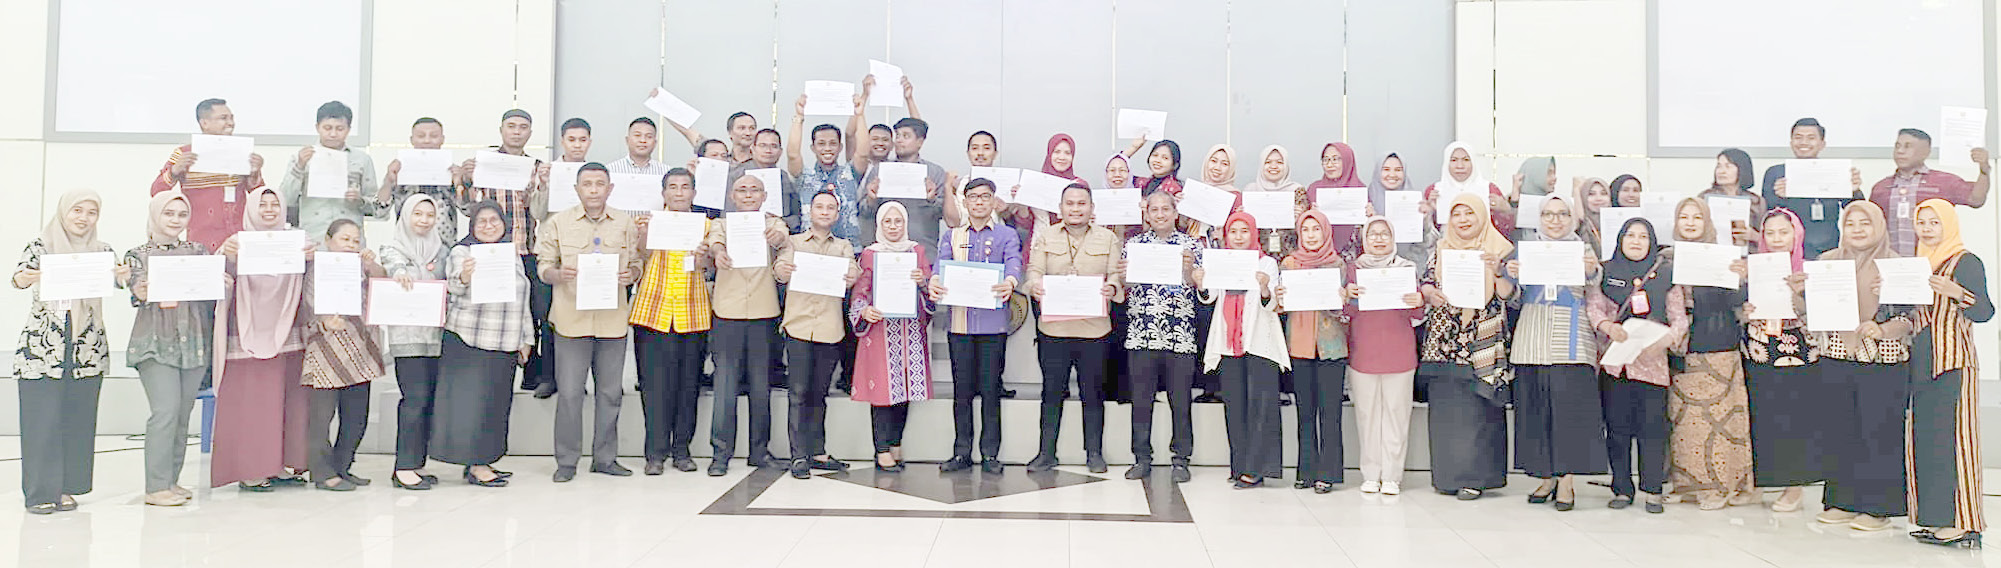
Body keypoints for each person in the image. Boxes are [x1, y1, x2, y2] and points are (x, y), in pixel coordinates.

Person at [1810, 202, 1919, 531]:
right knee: (1840, 429)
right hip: (1837, 356)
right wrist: (1800, 292)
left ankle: (1878, 507)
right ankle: (1842, 500)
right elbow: (1811, 313)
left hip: (1882, 359)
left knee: (1879, 431)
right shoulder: (1827, 262)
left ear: (1880, 226)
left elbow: (1911, 317)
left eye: (1865, 223)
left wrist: (1882, 328)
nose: (1857, 229)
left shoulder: (1898, 265)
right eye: (1851, 223)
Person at [12, 190, 122, 514]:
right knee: (41, 422)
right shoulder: (41, 246)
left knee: (77, 420)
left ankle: (66, 487)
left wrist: (124, 276)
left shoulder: (102, 251)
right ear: (64, 212)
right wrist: (25, 278)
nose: (83, 218)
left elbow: (120, 281)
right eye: (77, 210)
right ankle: (40, 492)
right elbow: (18, 277)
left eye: (91, 212)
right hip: (42, 351)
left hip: (87, 349)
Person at [532, 163, 642, 482]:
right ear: (577, 189)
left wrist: (631, 274)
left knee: (610, 392)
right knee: (569, 393)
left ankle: (605, 458)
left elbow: (636, 263)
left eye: (600, 184)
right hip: (571, 320)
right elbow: (544, 266)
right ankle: (566, 461)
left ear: (610, 189)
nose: (594, 190)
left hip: (612, 321)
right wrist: (557, 275)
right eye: (587, 184)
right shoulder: (558, 223)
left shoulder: (624, 223)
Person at [1502, 194, 1606, 511]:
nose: (1555, 220)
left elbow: (1596, 289)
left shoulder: (1584, 249)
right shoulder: (1525, 249)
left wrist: (1591, 271)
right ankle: (1544, 476)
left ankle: (1567, 481)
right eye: (1548, 213)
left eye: (1562, 213)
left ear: (1572, 218)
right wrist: (1512, 274)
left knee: (1570, 414)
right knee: (1535, 411)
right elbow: (1512, 299)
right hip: (1532, 338)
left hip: (1571, 340)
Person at [211, 187, 314, 492]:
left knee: (287, 400)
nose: (269, 210)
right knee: (252, 403)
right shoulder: (236, 243)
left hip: (288, 331)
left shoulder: (298, 242)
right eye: (263, 204)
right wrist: (226, 258)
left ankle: (280, 465)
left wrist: (312, 259)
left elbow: (313, 285)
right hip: (246, 328)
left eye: (275, 204)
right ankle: (251, 469)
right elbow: (219, 281)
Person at [1418, 193, 1515, 500]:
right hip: (1444, 341)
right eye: (1457, 214)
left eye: (1469, 214)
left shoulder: (1500, 248)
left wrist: (1497, 269)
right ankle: (1447, 477)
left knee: (1480, 410)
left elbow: (1508, 294)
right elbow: (1427, 282)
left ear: (1481, 216)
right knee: (1448, 410)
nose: (1463, 220)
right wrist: (1430, 293)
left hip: (1482, 341)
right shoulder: (1441, 248)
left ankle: (1477, 478)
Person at [1907, 198, 1992, 547]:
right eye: (1921, 222)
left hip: (1953, 361)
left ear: (1948, 225)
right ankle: (1933, 518)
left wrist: (1959, 293)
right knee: (1927, 442)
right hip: (1922, 363)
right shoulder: (1916, 265)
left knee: (1956, 443)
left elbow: (1985, 311)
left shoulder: (1965, 261)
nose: (1926, 229)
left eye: (1934, 223)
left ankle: (1963, 521)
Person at [1588, 218, 1687, 514]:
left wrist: (1667, 338)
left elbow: (1679, 317)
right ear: (1619, 239)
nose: (1636, 241)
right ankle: (1621, 487)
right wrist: (1607, 326)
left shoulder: (1666, 276)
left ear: (1652, 242)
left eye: (1643, 236)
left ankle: (1653, 489)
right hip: (1616, 364)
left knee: (1652, 429)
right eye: (1630, 235)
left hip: (1652, 364)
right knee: (1617, 429)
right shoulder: (1606, 271)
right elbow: (1594, 307)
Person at [125, 191, 215, 506]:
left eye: (181, 214)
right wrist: (139, 289)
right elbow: (135, 293)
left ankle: (171, 481)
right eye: (168, 214)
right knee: (164, 412)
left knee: (181, 413)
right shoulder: (137, 254)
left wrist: (221, 284)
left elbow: (208, 293)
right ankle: (155, 486)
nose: (175, 220)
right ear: (155, 215)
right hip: (155, 344)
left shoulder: (199, 252)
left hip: (193, 342)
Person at [1024, 185, 1122, 474]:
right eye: (1070, 203)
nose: (1076, 209)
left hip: (1094, 330)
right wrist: (1035, 286)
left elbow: (1117, 274)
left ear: (1092, 208)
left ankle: (1094, 452)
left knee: (1093, 393)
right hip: (1054, 330)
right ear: (1061, 206)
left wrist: (1112, 287)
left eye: (1082, 204)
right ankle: (1046, 453)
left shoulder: (1108, 238)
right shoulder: (1046, 236)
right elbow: (1033, 270)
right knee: (1051, 393)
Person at [1664, 197, 1754, 510]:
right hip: (1680, 349)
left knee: (1717, 421)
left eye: (1697, 217)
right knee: (1684, 422)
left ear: (1707, 222)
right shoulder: (1665, 259)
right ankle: (1686, 485)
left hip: (1717, 345)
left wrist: (1740, 278)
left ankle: (1719, 486)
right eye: (1684, 216)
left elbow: (1737, 302)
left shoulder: (1722, 257)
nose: (1690, 223)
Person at [433, 201, 531, 487]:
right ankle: (475, 465)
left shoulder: (510, 253)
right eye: (482, 222)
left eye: (494, 221)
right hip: (470, 338)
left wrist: (526, 338)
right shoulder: (461, 252)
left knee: (495, 406)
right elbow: (453, 287)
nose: (489, 226)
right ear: (472, 226)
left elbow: (522, 296)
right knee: (471, 407)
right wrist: (465, 275)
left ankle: (485, 460)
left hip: (506, 340)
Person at [459, 110, 553, 396]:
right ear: (501, 129)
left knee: (538, 311)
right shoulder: (484, 163)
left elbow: (541, 211)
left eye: (523, 127)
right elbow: (466, 208)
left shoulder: (537, 166)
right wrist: (464, 181)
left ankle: (534, 369)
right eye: (511, 126)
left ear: (530, 133)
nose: (516, 132)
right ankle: (498, 369)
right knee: (496, 308)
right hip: (491, 251)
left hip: (526, 249)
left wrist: (542, 187)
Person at [930, 179, 1021, 474]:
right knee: (963, 391)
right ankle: (961, 452)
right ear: (965, 203)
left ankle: (991, 454)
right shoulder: (952, 236)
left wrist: (1010, 281)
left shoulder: (1007, 235)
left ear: (994, 201)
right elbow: (939, 269)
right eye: (973, 197)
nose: (980, 202)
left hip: (993, 325)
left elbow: (1014, 263)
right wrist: (934, 282)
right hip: (960, 324)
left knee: (990, 390)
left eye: (985, 197)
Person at [704, 174, 793, 476]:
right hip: (727, 312)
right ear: (732, 195)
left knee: (760, 387)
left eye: (754, 190)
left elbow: (782, 238)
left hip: (762, 312)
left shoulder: (772, 223)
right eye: (742, 190)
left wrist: (777, 239)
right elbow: (713, 241)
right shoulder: (722, 224)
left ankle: (759, 451)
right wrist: (718, 252)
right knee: (725, 386)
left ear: (764, 195)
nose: (748, 195)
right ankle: (720, 454)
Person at [1740, 208, 1824, 513]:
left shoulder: (1810, 270)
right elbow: (1736, 309)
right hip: (1761, 348)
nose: (1776, 239)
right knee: (1762, 416)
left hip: (1799, 353)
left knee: (1796, 419)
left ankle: (1794, 487)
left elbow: (1821, 315)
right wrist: (1743, 308)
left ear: (1796, 235)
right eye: (1770, 233)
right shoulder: (1751, 267)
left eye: (1783, 232)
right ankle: (1761, 483)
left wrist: (1800, 293)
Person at [629, 169, 713, 475]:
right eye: (673, 188)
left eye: (685, 187)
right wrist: (644, 234)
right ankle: (655, 453)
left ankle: (682, 451)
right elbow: (640, 255)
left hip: (693, 313)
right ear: (663, 193)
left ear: (694, 193)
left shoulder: (706, 225)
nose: (679, 193)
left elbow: (710, 266)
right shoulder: (649, 222)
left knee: (687, 386)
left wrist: (704, 256)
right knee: (653, 386)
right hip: (653, 311)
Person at [774, 191, 861, 478]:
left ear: (837, 215)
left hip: (829, 328)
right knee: (798, 393)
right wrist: (782, 270)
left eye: (830, 208)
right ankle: (798, 455)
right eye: (819, 207)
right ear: (811, 212)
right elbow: (779, 270)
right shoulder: (794, 243)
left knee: (819, 394)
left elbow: (853, 271)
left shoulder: (844, 246)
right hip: (798, 326)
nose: (824, 212)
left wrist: (852, 276)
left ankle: (818, 451)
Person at [1198, 212, 1286, 489]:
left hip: (1259, 343)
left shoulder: (1266, 262)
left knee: (1261, 407)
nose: (1238, 237)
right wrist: (1201, 282)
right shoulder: (1221, 261)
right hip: (1228, 343)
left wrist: (1263, 287)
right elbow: (1210, 296)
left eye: (1243, 231)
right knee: (1234, 405)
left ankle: (1257, 469)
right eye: (1233, 232)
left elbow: (1271, 304)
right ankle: (1239, 466)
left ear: (1253, 234)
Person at [1119, 192, 1201, 483]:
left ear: (1176, 212)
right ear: (1147, 214)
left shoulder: (1191, 245)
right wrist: (1124, 275)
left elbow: (1199, 286)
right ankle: (1141, 457)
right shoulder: (1134, 245)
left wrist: (1190, 269)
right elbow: (1125, 286)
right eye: (1154, 210)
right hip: (1142, 333)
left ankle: (1181, 458)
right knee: (1141, 400)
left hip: (1180, 335)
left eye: (1166, 209)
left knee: (1180, 401)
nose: (1160, 214)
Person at [300, 219, 388, 492]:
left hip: (361, 351)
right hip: (326, 349)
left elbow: (386, 289)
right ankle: (322, 472)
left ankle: (343, 465)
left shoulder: (364, 269)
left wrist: (372, 266)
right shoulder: (316, 269)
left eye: (355, 240)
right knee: (321, 417)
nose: (351, 245)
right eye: (344, 239)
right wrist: (325, 322)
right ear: (328, 241)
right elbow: (308, 305)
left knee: (356, 417)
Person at [850, 202, 935, 472]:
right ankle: (882, 449)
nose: (894, 227)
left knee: (905, 389)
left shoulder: (916, 251)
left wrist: (923, 282)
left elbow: (930, 290)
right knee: (882, 390)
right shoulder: (870, 254)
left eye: (898, 221)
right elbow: (860, 292)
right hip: (880, 330)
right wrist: (865, 310)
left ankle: (896, 444)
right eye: (888, 222)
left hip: (909, 331)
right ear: (879, 225)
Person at [1342, 216, 1424, 495]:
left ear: (1393, 238)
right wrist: (1347, 297)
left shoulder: (1406, 269)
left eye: (1384, 234)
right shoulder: (1354, 270)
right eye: (1373, 234)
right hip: (1364, 352)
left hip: (1399, 352)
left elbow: (1417, 315)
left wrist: (1418, 302)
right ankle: (1371, 473)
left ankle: (1391, 475)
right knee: (1367, 417)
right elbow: (1346, 313)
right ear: (1365, 239)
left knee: (1397, 416)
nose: (1378, 239)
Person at [379, 195, 452, 490]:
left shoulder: (443, 250)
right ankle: (403, 467)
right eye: (417, 214)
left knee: (429, 401)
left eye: (429, 215)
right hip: (407, 337)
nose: (423, 220)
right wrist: (399, 274)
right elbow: (393, 266)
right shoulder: (393, 248)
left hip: (436, 336)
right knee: (414, 399)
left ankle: (417, 464)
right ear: (406, 216)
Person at [1279, 209, 1348, 494]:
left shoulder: (1338, 264)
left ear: (1325, 232)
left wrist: (1340, 300)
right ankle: (1306, 470)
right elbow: (1280, 308)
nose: (1310, 235)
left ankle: (1328, 473)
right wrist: (1280, 297)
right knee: (1304, 411)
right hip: (1300, 345)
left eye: (1316, 229)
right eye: (1305, 230)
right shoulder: (1290, 263)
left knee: (1329, 412)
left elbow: (1343, 311)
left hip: (1331, 345)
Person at [150, 98, 266, 251]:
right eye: (223, 118)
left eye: (232, 118)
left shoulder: (242, 152)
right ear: (204, 123)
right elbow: (156, 192)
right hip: (200, 240)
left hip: (237, 239)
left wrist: (255, 172)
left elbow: (260, 195)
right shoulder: (184, 153)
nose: (230, 123)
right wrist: (174, 171)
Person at [1871, 129, 1991, 255]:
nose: (1900, 151)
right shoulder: (1881, 187)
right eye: (1897, 146)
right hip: (1891, 263)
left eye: (1908, 146)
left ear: (1926, 152)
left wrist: (1984, 171)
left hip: (1934, 263)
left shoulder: (1944, 181)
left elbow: (1976, 200)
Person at [279, 101, 379, 241]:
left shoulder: (362, 159)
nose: (333, 134)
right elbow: (285, 200)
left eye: (339, 128)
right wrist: (300, 166)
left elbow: (377, 207)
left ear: (349, 129)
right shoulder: (301, 157)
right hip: (313, 237)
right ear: (317, 127)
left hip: (350, 240)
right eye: (327, 128)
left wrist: (360, 200)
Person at [1761, 118, 1863, 256]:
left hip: (1826, 249)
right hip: (1787, 250)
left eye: (1811, 138)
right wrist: (1781, 197)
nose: (1804, 142)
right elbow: (1767, 214)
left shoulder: (1834, 171)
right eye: (1798, 137)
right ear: (1791, 142)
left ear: (1822, 144)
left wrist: (1854, 190)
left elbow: (1856, 209)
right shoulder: (1776, 173)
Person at [863, 118, 955, 264]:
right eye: (897, 136)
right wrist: (871, 198)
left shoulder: (934, 173)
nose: (899, 140)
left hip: (924, 253)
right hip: (885, 254)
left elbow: (945, 217)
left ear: (920, 142)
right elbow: (864, 213)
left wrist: (931, 199)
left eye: (906, 136)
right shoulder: (880, 170)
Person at [375, 117, 465, 243]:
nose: (427, 141)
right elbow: (379, 211)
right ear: (412, 140)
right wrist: (388, 181)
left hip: (443, 245)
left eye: (433, 136)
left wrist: (460, 183)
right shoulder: (399, 170)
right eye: (421, 136)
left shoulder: (451, 171)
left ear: (442, 140)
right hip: (406, 245)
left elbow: (467, 209)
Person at [787, 99, 862, 247]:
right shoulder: (805, 176)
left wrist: (860, 115)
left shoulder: (850, 172)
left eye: (832, 143)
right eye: (821, 144)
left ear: (840, 147)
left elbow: (863, 153)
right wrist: (799, 117)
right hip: (811, 249)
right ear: (813, 148)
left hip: (849, 248)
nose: (827, 148)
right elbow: (793, 155)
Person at [1423, 142, 1513, 232]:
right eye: (1454, 160)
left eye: (1466, 160)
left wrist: (1505, 209)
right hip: (1446, 243)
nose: (1460, 166)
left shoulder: (1490, 189)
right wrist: (1430, 212)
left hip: (1483, 244)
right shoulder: (1433, 191)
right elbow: (1425, 235)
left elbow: (1506, 231)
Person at [1304, 143, 1365, 259]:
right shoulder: (1314, 189)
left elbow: (1367, 230)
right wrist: (1311, 215)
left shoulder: (1360, 190)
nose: (1330, 165)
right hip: (1320, 255)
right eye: (1325, 160)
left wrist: (1370, 216)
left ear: (1347, 161)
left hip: (1353, 256)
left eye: (1336, 159)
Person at [1371, 153, 1432, 265]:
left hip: (1411, 264)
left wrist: (1425, 220)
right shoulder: (1368, 199)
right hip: (1375, 267)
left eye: (1398, 170)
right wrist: (1370, 221)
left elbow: (1427, 242)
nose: (1392, 174)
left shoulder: (1417, 201)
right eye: (1386, 169)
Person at [1247, 145, 1305, 255]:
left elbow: (1307, 229)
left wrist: (1300, 218)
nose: (1273, 166)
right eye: (1268, 162)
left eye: (1279, 162)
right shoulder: (1251, 190)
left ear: (1286, 165)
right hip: (1257, 255)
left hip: (1291, 256)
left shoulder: (1297, 191)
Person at [1698, 149, 1764, 246]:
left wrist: (1754, 236)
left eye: (1728, 166)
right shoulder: (1704, 198)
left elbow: (1768, 237)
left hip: (1746, 256)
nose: (1721, 171)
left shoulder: (1756, 201)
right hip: (1711, 252)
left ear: (1742, 169)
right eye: (1718, 166)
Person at [667, 107, 757, 164]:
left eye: (752, 128)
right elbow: (687, 130)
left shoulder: (763, 160)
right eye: (741, 128)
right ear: (730, 132)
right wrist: (660, 101)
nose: (748, 133)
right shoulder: (717, 155)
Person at [1576, 177, 1612, 252]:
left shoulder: (1618, 222)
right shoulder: (1578, 225)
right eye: (1591, 194)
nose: (1598, 198)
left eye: (1603, 193)